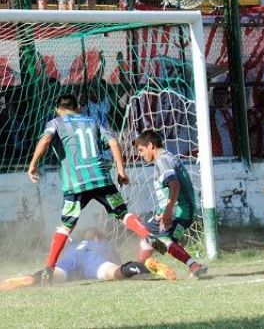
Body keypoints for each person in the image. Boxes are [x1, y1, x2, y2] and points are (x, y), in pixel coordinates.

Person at [26, 94, 166, 285]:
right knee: (122, 213)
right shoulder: (92, 121)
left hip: (76, 184)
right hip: (102, 179)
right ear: (78, 108)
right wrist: (121, 171)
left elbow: (45, 141)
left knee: (66, 226)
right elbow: (114, 142)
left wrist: (33, 165)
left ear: (57, 109)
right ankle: (146, 235)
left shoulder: (55, 122)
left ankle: (49, 268)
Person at [0, 228, 176, 291]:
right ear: (98, 237)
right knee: (115, 272)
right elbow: (115, 262)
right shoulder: (101, 243)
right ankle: (147, 267)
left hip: (71, 259)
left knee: (55, 274)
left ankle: (32, 279)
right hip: (92, 259)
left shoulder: (74, 245)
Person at [134, 130, 208, 278]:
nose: (140, 154)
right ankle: (140, 269)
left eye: (141, 150)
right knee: (147, 236)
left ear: (150, 146)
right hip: (171, 210)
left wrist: (168, 211)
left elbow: (174, 184)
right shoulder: (166, 158)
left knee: (163, 240)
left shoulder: (163, 160)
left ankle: (194, 265)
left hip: (180, 212)